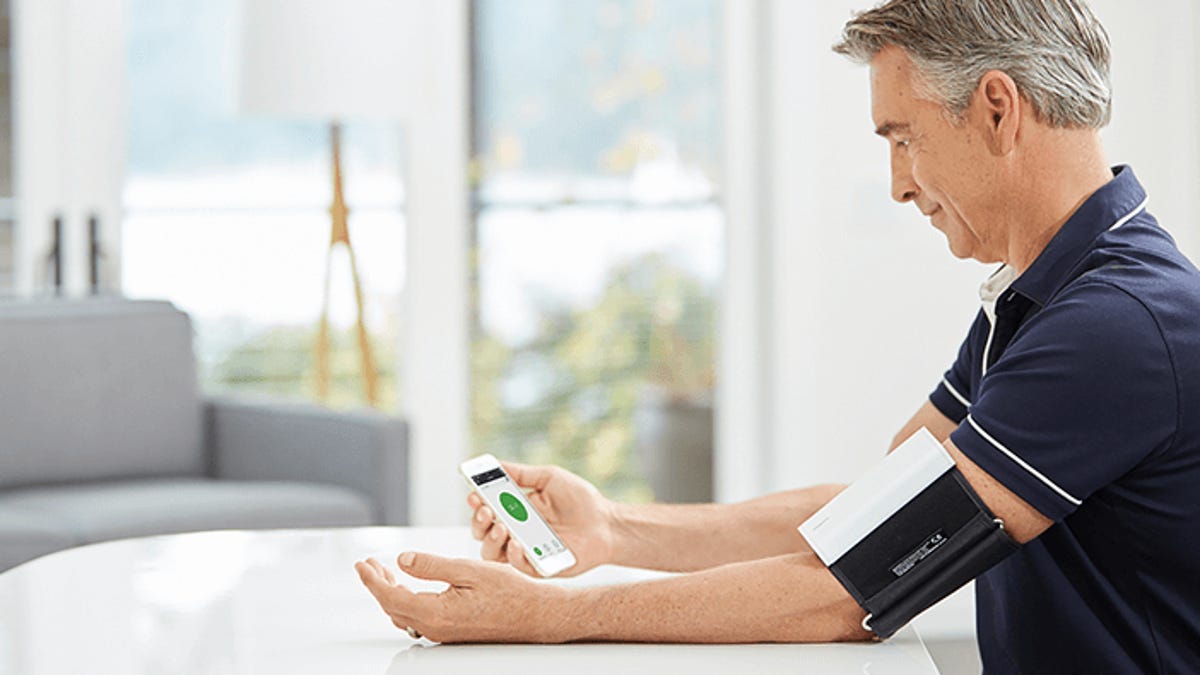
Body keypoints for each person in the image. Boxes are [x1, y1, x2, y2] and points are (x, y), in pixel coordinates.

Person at [356, 1, 1200, 670]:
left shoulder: (1117, 326)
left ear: (995, 109)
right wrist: (616, 530)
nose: (900, 183)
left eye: (903, 138)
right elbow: (871, 517)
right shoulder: (1049, 297)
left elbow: (851, 589)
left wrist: (549, 618)